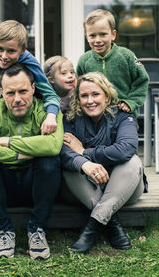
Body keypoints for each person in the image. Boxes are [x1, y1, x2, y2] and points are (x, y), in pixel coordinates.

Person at [0, 63, 64, 260]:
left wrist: (7, 141)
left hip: (35, 186)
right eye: (10, 93)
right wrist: (20, 154)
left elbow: (53, 146)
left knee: (49, 161)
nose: (17, 99)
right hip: (2, 187)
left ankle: (37, 228)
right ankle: (3, 230)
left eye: (23, 91)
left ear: (34, 89)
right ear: (1, 92)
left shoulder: (47, 112)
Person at [60, 72, 144, 253]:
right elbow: (64, 151)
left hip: (124, 188)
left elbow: (127, 148)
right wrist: (84, 163)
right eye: (84, 96)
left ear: (106, 96)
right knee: (71, 167)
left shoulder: (122, 116)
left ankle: (91, 230)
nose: (90, 100)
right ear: (78, 99)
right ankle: (112, 223)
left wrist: (84, 152)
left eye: (95, 94)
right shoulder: (70, 119)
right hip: (84, 189)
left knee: (133, 161)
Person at [0, 20, 61, 135]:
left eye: (11, 51)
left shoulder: (30, 63)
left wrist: (51, 116)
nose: (4, 56)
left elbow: (50, 95)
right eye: (0, 49)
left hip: (25, 109)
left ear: (22, 51)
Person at [76, 9, 149, 118]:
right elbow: (78, 88)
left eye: (103, 34)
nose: (97, 40)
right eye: (92, 36)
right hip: (94, 117)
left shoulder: (126, 56)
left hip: (123, 113)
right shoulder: (84, 61)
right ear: (87, 37)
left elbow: (141, 80)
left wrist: (131, 102)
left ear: (113, 34)